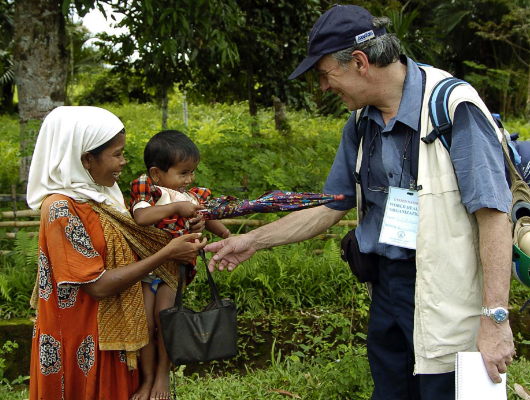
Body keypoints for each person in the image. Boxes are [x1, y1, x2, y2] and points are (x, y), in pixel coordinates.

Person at [205, 4, 515, 399]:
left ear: (359, 62)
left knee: (444, 389)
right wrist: (252, 240)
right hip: (387, 287)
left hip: (449, 291)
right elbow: (331, 205)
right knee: (391, 390)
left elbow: (493, 215)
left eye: (324, 75)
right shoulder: (360, 123)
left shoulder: (453, 107)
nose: (323, 87)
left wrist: (495, 317)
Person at [27, 106, 207, 400]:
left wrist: (186, 226)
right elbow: (96, 285)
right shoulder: (61, 208)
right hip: (81, 342)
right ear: (85, 158)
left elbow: (138, 241)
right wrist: (166, 253)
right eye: (117, 154)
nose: (124, 162)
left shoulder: (105, 196)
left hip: (119, 335)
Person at [129, 130, 230, 400]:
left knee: (167, 320)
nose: (189, 179)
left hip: (174, 271)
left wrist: (227, 236)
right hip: (143, 269)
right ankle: (147, 377)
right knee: (145, 326)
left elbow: (208, 220)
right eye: (182, 173)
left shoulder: (193, 195)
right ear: (156, 173)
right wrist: (175, 208)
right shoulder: (147, 190)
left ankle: (162, 372)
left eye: (192, 172)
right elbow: (141, 218)